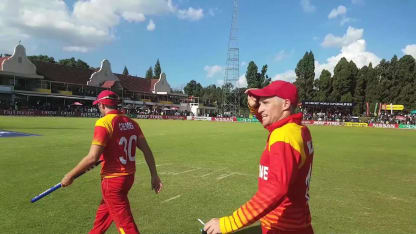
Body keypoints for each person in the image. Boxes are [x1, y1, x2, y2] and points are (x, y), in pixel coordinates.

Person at [204, 81, 314, 234]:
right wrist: (254, 106)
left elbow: (276, 189)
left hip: (282, 227)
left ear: (285, 104)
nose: (260, 109)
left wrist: (228, 223)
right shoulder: (297, 129)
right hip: (294, 224)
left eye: (266, 103)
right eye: (259, 104)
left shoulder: (283, 136)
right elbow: (269, 122)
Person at [61, 90, 162, 234]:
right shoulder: (132, 123)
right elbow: (147, 151)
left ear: (102, 105)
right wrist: (154, 175)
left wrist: (69, 176)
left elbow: (92, 157)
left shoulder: (104, 123)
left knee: (127, 227)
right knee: (102, 219)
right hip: (128, 178)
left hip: (112, 181)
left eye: (98, 106)